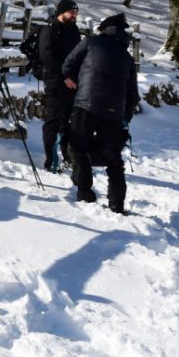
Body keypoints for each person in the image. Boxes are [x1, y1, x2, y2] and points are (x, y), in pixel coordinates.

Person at [61, 12, 140, 214]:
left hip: (85, 104)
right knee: (114, 160)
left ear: (104, 29)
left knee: (77, 146)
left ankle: (85, 192)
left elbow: (68, 65)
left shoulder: (90, 42)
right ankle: (117, 204)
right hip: (114, 112)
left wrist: (72, 80)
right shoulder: (127, 58)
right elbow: (133, 95)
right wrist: (124, 119)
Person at [39, 0, 81, 172]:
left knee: (70, 121)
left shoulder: (74, 30)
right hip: (55, 82)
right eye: (72, 12)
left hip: (73, 83)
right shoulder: (50, 30)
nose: (74, 15)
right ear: (61, 12)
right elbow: (47, 57)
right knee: (53, 121)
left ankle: (68, 157)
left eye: (76, 12)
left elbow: (79, 55)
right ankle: (50, 160)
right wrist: (64, 76)